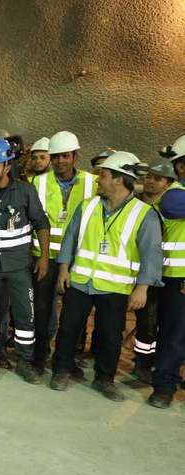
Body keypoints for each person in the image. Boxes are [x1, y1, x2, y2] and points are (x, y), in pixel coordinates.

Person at [51, 151, 162, 402]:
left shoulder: (143, 214)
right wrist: (63, 269)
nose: (98, 179)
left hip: (115, 287)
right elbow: (70, 238)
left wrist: (142, 288)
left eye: (103, 175)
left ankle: (104, 379)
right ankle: (61, 370)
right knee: (68, 329)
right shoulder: (88, 206)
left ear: (119, 180)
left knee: (110, 335)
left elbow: (151, 255)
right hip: (79, 281)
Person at [0, 139, 50, 384]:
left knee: (24, 315)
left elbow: (42, 224)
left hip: (19, 266)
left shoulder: (25, 191)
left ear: (7, 166)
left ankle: (24, 361)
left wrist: (44, 259)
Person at [30, 131, 97, 372]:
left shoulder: (92, 183)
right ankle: (39, 357)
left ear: (75, 156)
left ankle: (66, 360)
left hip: (78, 260)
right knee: (42, 310)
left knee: (74, 315)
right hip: (44, 259)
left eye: (65, 156)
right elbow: (36, 221)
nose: (60, 161)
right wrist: (42, 258)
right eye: (56, 157)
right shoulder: (39, 182)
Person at [129, 158, 176, 383]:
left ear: (168, 183)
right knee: (146, 321)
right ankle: (142, 363)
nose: (151, 182)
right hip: (140, 273)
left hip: (167, 275)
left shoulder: (173, 207)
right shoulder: (136, 204)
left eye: (157, 178)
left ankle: (151, 362)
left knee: (160, 322)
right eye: (148, 177)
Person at [149, 136, 185, 408]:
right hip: (177, 277)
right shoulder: (174, 195)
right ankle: (163, 384)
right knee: (174, 334)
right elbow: (172, 210)